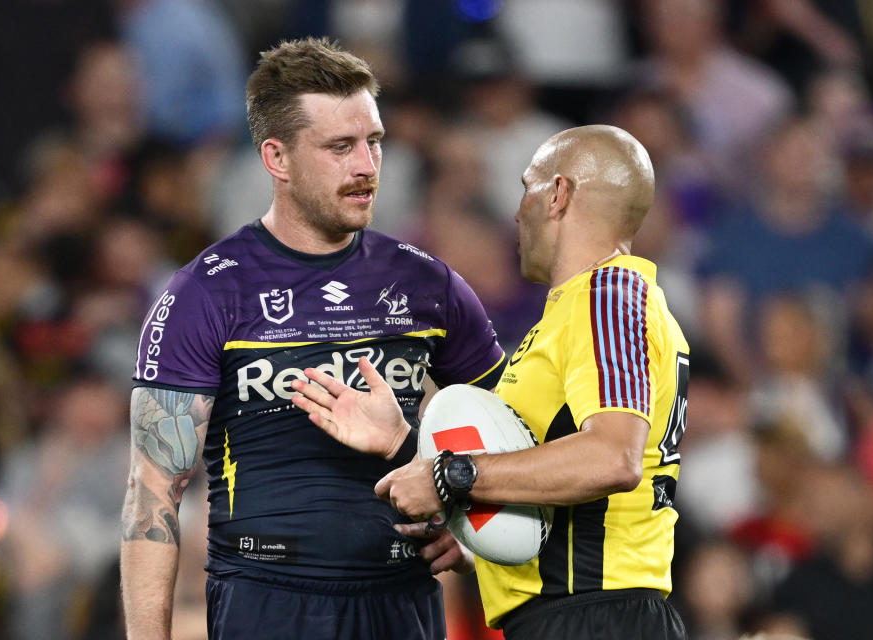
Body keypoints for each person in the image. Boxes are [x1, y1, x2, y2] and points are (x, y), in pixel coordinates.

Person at [119, 37, 507, 640]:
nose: (367, 166)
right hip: (266, 603)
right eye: (340, 147)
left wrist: (472, 528)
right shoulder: (206, 293)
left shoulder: (428, 283)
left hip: (402, 600)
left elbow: (514, 430)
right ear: (277, 158)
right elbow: (152, 493)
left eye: (374, 141)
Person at [291, 125, 689, 639]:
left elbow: (613, 458)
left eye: (527, 187)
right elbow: (545, 475)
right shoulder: (580, 312)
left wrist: (446, 478)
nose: (516, 212)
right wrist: (406, 447)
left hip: (596, 618)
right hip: (573, 614)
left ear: (559, 194)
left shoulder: (607, 295)